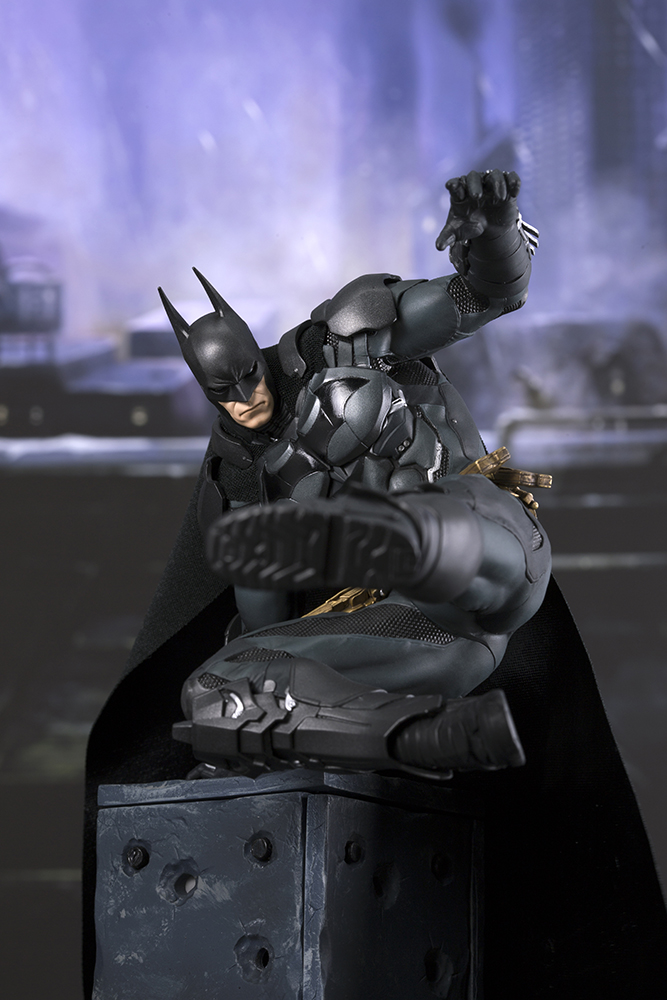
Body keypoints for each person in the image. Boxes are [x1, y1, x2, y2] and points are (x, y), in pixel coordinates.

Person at [84, 170, 667, 998]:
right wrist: (254, 702)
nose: (248, 398)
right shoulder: (246, 482)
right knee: (220, 688)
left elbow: (484, 294)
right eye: (226, 393)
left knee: (467, 543)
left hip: (487, 543)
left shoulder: (343, 339)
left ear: (260, 350)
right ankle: (413, 733)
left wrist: (493, 232)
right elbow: (262, 623)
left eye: (250, 376)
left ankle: (409, 535)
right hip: (414, 635)